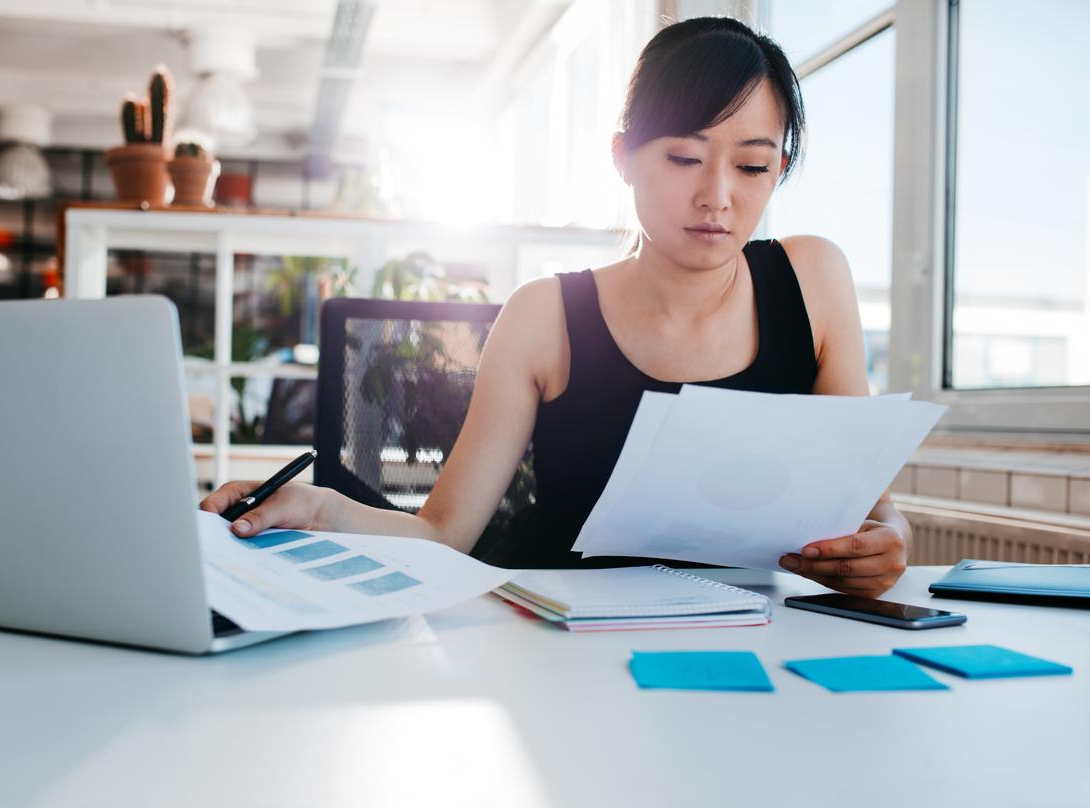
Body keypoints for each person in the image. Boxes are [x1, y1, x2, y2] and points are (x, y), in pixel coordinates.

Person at [201, 16, 911, 598]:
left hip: (758, 640)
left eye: (753, 165)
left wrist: (890, 539)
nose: (719, 196)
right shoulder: (544, 315)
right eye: (684, 159)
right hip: (563, 638)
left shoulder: (813, 279)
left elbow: (859, 504)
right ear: (623, 157)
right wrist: (322, 508)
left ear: (778, 169)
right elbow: (446, 532)